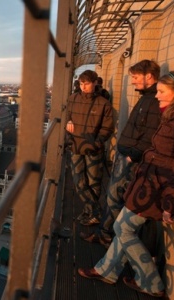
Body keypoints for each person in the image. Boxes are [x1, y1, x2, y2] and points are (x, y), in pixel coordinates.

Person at [77, 70, 174, 298]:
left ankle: (151, 283)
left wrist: (171, 201)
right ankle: (107, 270)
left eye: (162, 91)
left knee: (122, 227)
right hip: (150, 184)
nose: (157, 95)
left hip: (158, 188)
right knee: (124, 227)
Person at [81, 60, 161, 247]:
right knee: (114, 196)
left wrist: (132, 155)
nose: (132, 81)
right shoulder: (148, 97)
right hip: (128, 155)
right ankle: (107, 234)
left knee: (114, 196)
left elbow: (151, 133)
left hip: (131, 157)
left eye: (134, 77)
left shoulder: (154, 100)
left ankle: (110, 236)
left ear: (148, 76)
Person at [65, 70, 114, 226]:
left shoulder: (103, 103)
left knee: (94, 182)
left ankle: (89, 212)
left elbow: (107, 128)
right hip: (76, 145)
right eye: (81, 83)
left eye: (86, 83)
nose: (83, 86)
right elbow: (67, 117)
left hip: (93, 148)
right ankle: (95, 211)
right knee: (78, 180)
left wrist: (96, 144)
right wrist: (68, 122)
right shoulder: (72, 99)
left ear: (95, 83)